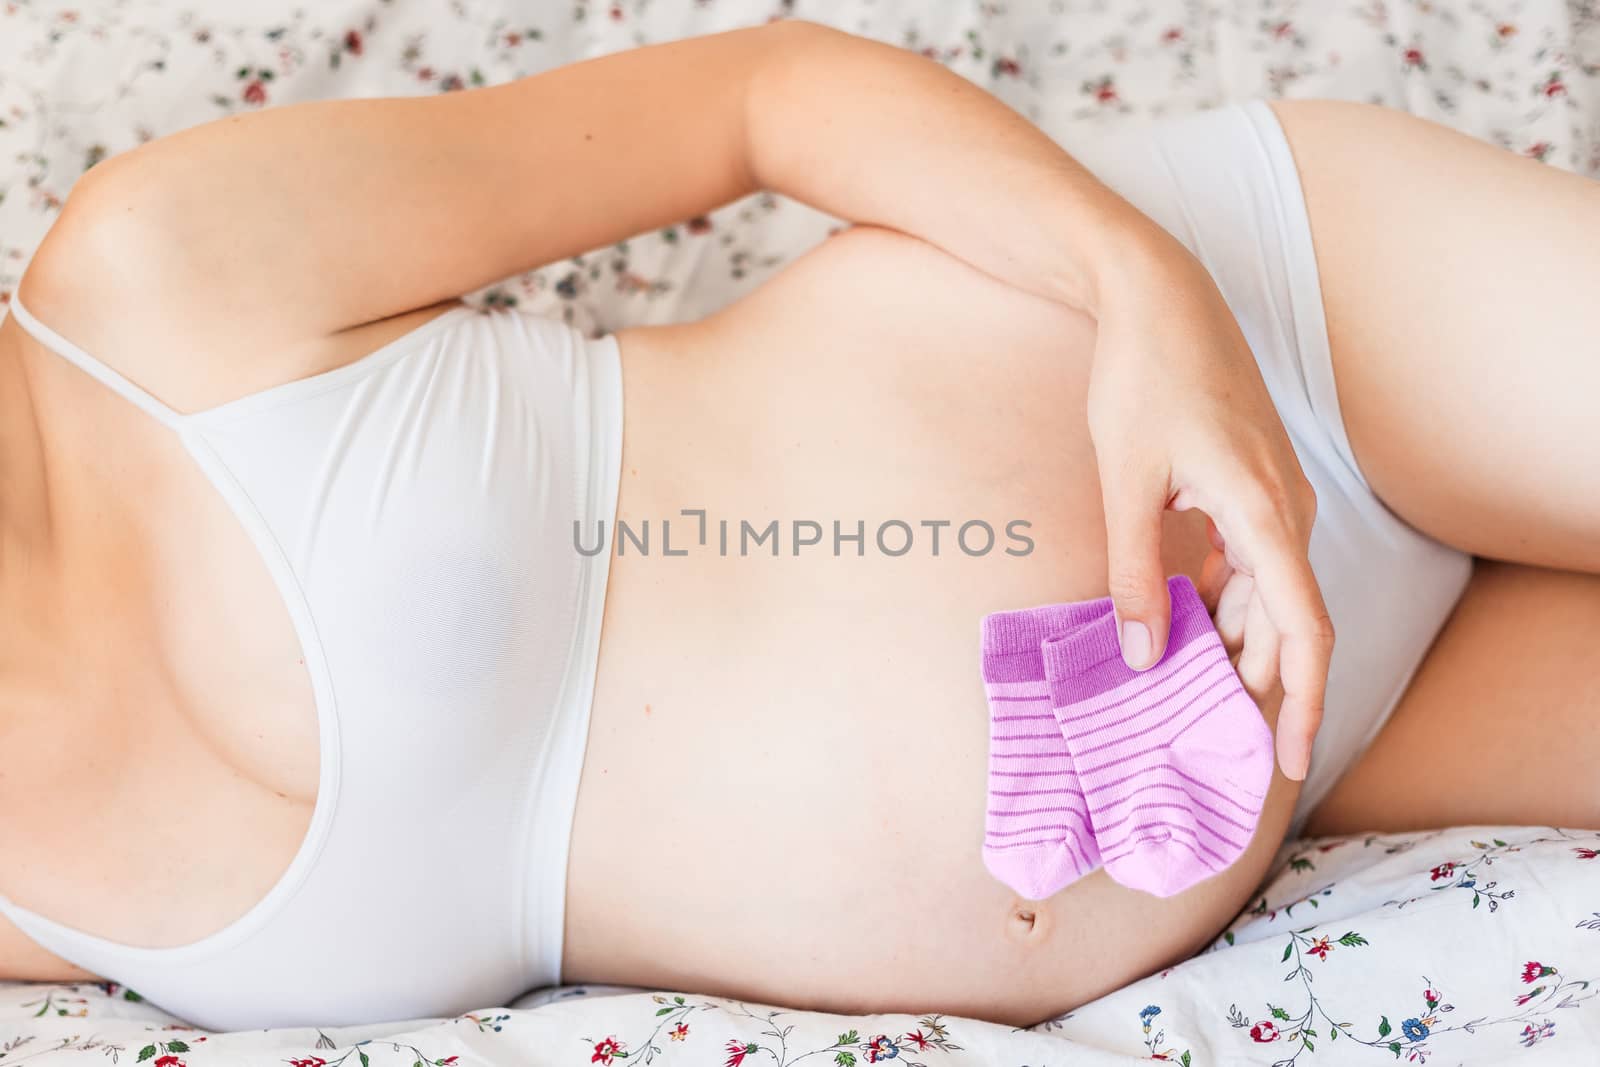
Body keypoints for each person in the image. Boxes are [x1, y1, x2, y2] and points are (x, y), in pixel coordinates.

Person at [0, 19, 1594, 1033]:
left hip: (1294, 335)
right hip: (1287, 747)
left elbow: (766, 97)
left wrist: (1146, 299)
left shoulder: (150, 279)